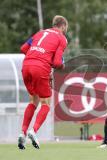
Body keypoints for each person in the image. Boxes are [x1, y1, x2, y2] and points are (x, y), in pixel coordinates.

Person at [18, 15, 68, 150]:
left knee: (32, 100)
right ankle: (33, 131)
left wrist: (38, 55)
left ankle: (22, 133)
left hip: (26, 66)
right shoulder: (61, 38)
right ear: (63, 26)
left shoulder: (40, 33)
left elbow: (23, 48)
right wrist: (62, 65)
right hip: (40, 68)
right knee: (45, 103)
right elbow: (57, 63)